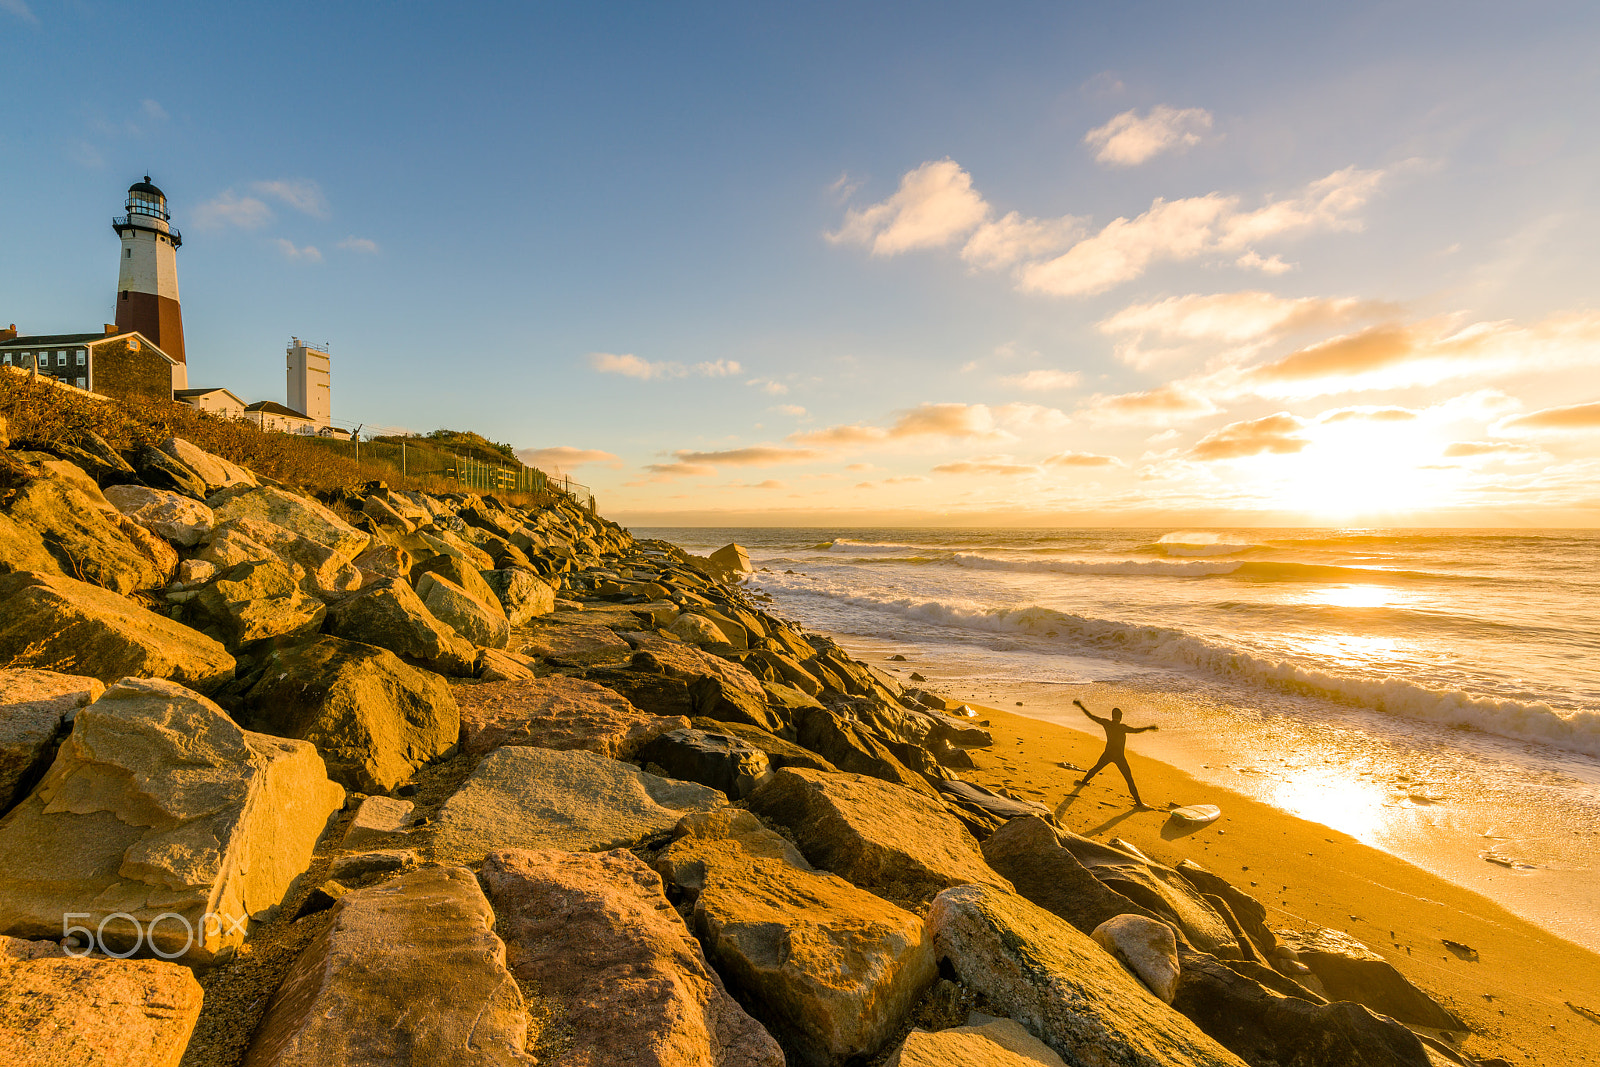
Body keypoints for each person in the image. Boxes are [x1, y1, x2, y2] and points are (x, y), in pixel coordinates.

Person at [1071, 698, 1158, 808]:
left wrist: (1081, 706)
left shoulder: (1106, 723)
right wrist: (1149, 727)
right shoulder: (1122, 727)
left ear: (1112, 716)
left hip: (1107, 754)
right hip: (1119, 757)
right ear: (1121, 717)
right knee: (1129, 779)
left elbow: (1091, 716)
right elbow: (1136, 730)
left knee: (1096, 768)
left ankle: (1083, 782)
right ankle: (1139, 803)